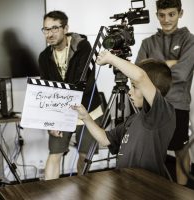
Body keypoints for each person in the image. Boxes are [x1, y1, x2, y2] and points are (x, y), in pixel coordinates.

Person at [74, 50, 176, 177]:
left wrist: (111, 58)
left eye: (134, 87)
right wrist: (86, 118)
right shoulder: (133, 119)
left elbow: (140, 77)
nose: (130, 92)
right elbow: (105, 139)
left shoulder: (161, 113)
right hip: (126, 183)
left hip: (148, 187)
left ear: (153, 89)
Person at [135, 0, 194, 185]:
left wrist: (153, 70)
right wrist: (170, 64)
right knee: (152, 152)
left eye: (171, 14)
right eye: (161, 15)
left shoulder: (190, 41)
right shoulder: (147, 42)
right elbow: (137, 72)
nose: (166, 19)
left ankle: (182, 191)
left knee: (181, 150)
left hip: (178, 105)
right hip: (151, 105)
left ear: (180, 13)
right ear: (157, 15)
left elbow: (182, 74)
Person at [38, 10, 103, 180]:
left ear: (66, 28)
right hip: (61, 113)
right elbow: (47, 92)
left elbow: (85, 84)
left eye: (54, 28)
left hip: (88, 110)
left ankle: (84, 191)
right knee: (54, 154)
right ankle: (51, 193)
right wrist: (52, 121)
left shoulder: (83, 47)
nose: (49, 34)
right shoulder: (44, 57)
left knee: (84, 156)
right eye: (45, 29)